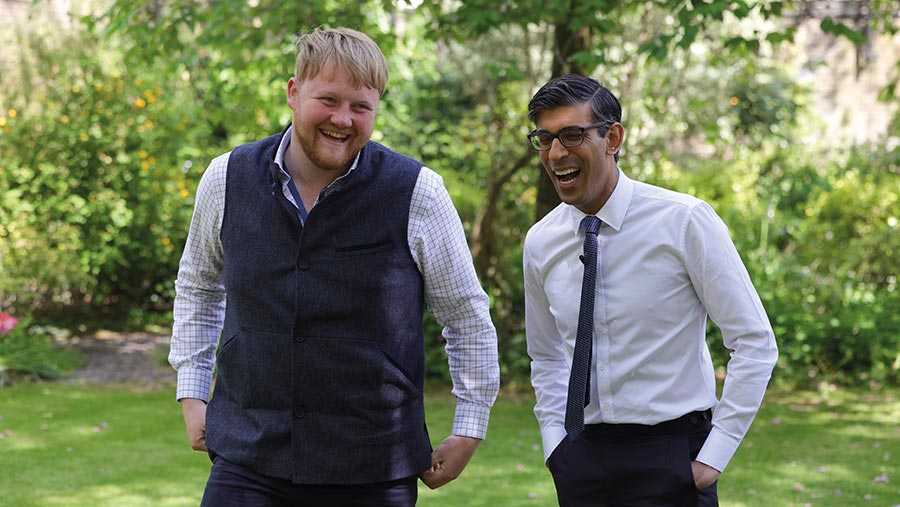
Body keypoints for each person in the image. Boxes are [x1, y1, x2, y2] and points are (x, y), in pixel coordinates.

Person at [169, 27, 500, 507]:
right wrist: (193, 393)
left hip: (372, 465)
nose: (343, 120)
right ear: (293, 92)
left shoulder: (419, 192)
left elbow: (465, 314)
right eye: (329, 100)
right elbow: (198, 287)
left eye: (361, 107)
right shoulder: (226, 177)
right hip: (249, 456)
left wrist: (469, 428)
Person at [522, 74, 778, 506]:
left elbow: (754, 342)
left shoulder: (684, 221)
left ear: (613, 137)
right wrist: (555, 445)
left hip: (674, 455)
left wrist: (712, 457)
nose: (556, 153)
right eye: (544, 139)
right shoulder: (540, 241)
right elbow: (545, 355)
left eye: (571, 135)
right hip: (581, 459)